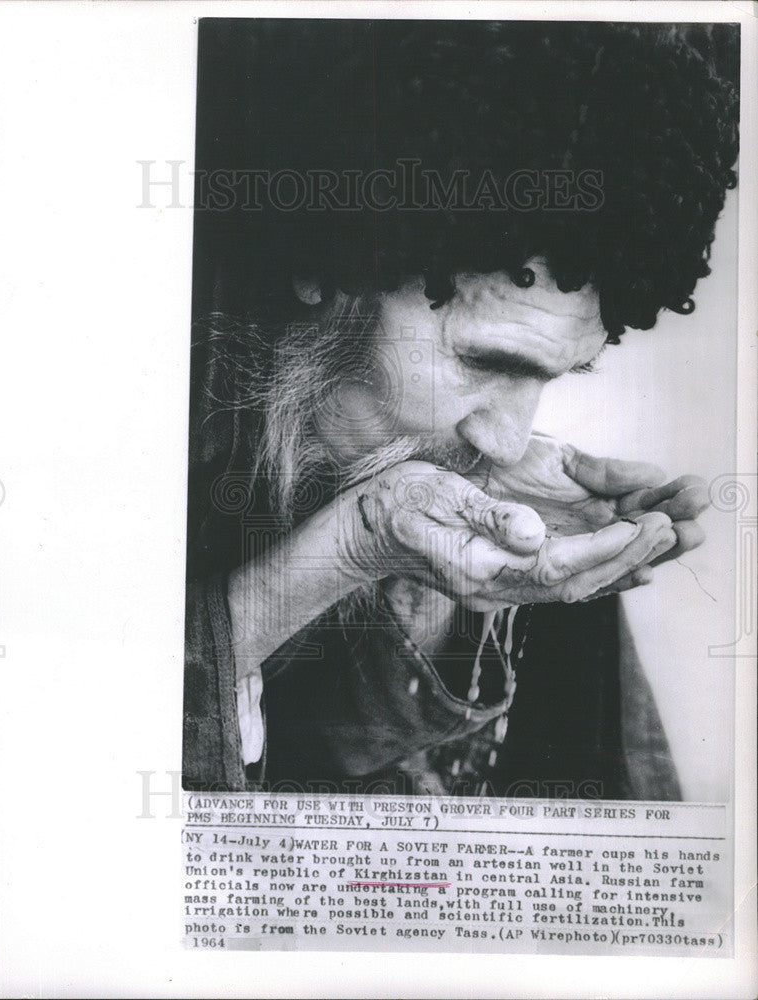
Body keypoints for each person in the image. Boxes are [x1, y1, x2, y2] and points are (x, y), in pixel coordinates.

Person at [182, 20, 740, 797]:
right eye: (482, 361)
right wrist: (349, 548)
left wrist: (426, 592)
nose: (509, 443)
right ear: (323, 265)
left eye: (561, 374)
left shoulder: (478, 482)